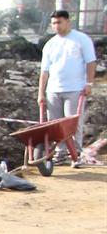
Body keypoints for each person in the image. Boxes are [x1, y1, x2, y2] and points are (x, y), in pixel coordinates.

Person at [39, 10, 97, 166]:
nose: (56, 26)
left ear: (67, 22)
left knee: (72, 123)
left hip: (75, 88)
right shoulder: (50, 44)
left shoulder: (80, 39)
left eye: (59, 22)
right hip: (53, 89)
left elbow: (90, 62)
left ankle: (75, 153)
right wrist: (41, 93)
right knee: (55, 124)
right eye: (54, 23)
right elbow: (44, 71)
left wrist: (89, 83)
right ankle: (60, 153)